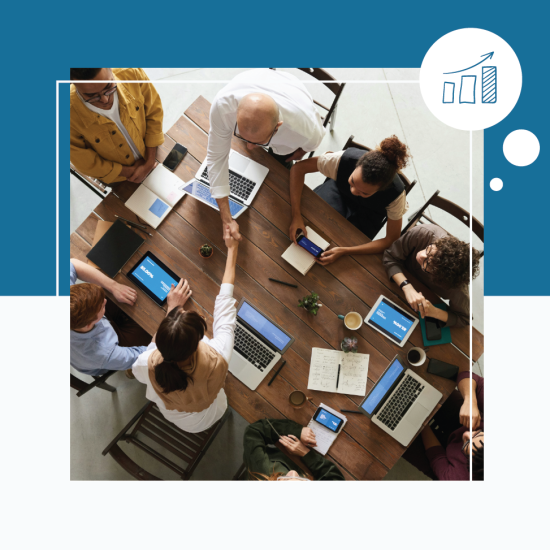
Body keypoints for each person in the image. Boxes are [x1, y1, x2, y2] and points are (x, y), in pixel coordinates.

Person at [132, 225, 239, 433]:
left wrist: (171, 309)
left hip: (180, 420)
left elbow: (143, 365)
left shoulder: (147, 362)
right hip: (210, 413)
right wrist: (233, 249)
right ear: (198, 342)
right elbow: (225, 305)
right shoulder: (218, 356)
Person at [207, 69, 326, 241]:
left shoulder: (305, 130)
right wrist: (226, 218)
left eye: (257, 142)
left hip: (292, 94)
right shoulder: (222, 106)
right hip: (257, 80)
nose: (249, 147)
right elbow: (216, 158)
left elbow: (310, 146)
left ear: (277, 127)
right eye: (242, 136)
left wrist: (298, 153)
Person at [288, 136, 411, 265]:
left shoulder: (396, 196)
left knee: (344, 250)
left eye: (364, 192)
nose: (354, 191)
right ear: (356, 166)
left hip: (369, 214)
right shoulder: (342, 159)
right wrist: (296, 215)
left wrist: (345, 251)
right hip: (338, 192)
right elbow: (298, 169)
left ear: (381, 189)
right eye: (352, 182)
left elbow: (391, 239)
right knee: (312, 221)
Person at [70, 68, 164, 185]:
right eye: (92, 96)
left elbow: (154, 111)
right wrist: (130, 172)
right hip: (120, 179)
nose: (105, 99)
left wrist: (149, 162)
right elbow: (84, 161)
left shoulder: (131, 72)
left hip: (153, 153)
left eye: (108, 87)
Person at [382, 223, 481, 327]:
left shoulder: (457, 287)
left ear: (439, 278)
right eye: (429, 250)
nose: (421, 255)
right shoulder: (424, 233)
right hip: (392, 279)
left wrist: (434, 312)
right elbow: (390, 256)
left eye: (428, 264)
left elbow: (465, 319)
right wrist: (407, 287)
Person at [70, 259, 152, 377]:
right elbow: (145, 356)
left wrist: (114, 286)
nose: (105, 301)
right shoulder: (103, 353)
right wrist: (172, 311)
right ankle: (131, 371)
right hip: (106, 356)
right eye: (101, 306)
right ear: (88, 324)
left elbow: (71, 263)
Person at [415, 370, 484, 481]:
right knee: (434, 388)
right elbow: (465, 374)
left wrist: (421, 421)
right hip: (462, 419)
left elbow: (436, 456)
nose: (466, 433)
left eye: (467, 443)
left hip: (447, 462)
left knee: (402, 442)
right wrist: (470, 401)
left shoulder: (457, 478)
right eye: (478, 434)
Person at [243, 418, 344, 480]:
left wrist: (296, 431)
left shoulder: (262, 471)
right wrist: (306, 454)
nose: (293, 473)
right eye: (302, 481)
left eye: (285, 480)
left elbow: (253, 432)